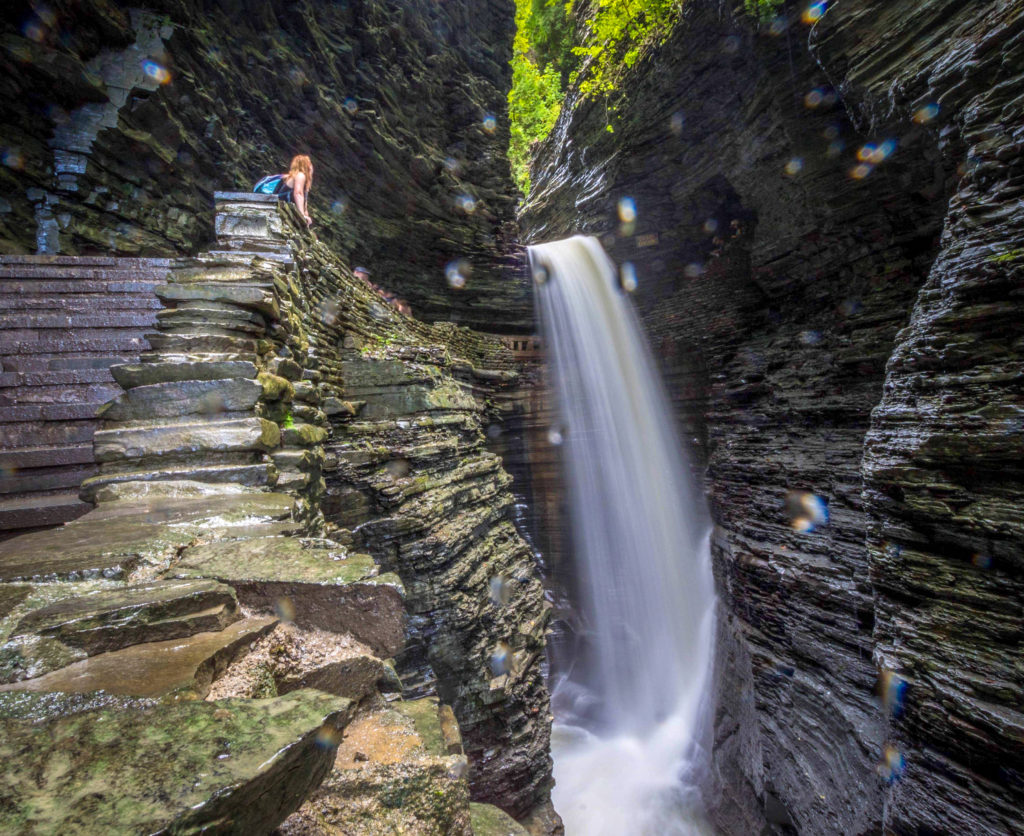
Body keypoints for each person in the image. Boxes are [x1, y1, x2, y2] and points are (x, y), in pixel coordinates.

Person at [277, 154, 314, 227]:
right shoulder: (300, 175)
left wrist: (306, 217)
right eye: (310, 164)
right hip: (284, 205)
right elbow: (298, 193)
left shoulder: (302, 182)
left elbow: (304, 205)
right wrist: (302, 216)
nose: (312, 167)